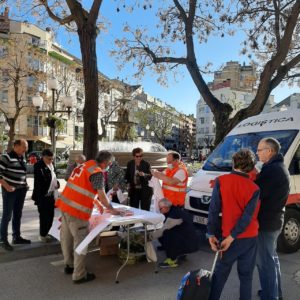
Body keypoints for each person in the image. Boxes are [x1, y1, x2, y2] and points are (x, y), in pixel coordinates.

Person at [56, 150, 122, 284]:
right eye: (110, 164)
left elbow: (82, 187)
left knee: (66, 238)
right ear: (106, 163)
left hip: (65, 206)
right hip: (77, 212)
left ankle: (69, 265)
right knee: (80, 243)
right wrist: (112, 209)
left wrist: (95, 202)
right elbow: (103, 195)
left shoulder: (85, 165)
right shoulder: (97, 172)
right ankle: (79, 274)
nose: (110, 166)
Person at [207, 149, 260, 300]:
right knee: (246, 277)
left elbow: (213, 210)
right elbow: (247, 217)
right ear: (251, 167)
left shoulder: (221, 181)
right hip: (249, 237)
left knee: (219, 275)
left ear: (233, 163)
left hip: (227, 237)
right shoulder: (254, 188)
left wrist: (211, 234)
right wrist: (231, 237)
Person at [255, 138, 290, 300]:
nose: (257, 153)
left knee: (265, 263)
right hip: (275, 221)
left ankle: (270, 296)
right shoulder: (277, 167)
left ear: (269, 151)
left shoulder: (271, 170)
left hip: (267, 223)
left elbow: (257, 193)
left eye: (260, 150)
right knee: (272, 259)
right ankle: (276, 292)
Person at [0, 139, 31, 251]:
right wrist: (7, 186)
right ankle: (3, 239)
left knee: (18, 214)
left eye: (26, 147)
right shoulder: (6, 157)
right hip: (10, 191)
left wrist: (25, 185)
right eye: (24, 146)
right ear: (16, 146)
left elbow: (22, 173)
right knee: (7, 216)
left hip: (21, 190)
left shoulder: (22, 157)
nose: (26, 149)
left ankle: (16, 237)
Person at [150, 198, 199, 268]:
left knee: (166, 233)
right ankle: (181, 253)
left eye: (160, 209)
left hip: (189, 243)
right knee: (168, 232)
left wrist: (149, 237)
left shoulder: (174, 215)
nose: (159, 211)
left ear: (165, 208)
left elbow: (163, 229)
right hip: (190, 241)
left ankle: (172, 260)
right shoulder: (175, 210)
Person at [32, 149, 59, 243]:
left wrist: (57, 184)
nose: (51, 161)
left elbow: (55, 178)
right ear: (43, 157)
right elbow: (41, 181)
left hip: (51, 195)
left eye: (52, 159)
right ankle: (43, 235)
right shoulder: (38, 166)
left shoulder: (51, 166)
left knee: (51, 216)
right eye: (49, 159)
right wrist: (51, 183)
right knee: (44, 216)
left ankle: (49, 233)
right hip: (42, 196)